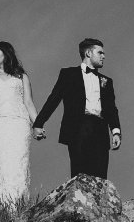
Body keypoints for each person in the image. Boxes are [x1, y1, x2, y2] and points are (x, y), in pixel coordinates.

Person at [32, 38, 122, 180]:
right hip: (77, 128)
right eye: (100, 53)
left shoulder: (107, 81)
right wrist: (38, 123)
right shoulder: (68, 74)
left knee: (100, 178)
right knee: (79, 176)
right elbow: (53, 99)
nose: (104, 56)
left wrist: (116, 132)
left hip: (100, 130)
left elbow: (111, 109)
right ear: (88, 53)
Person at [0, 40, 38, 202]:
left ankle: (17, 204)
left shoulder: (22, 77)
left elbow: (28, 103)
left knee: (18, 162)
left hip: (19, 125)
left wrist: (37, 124)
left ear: (6, 54)